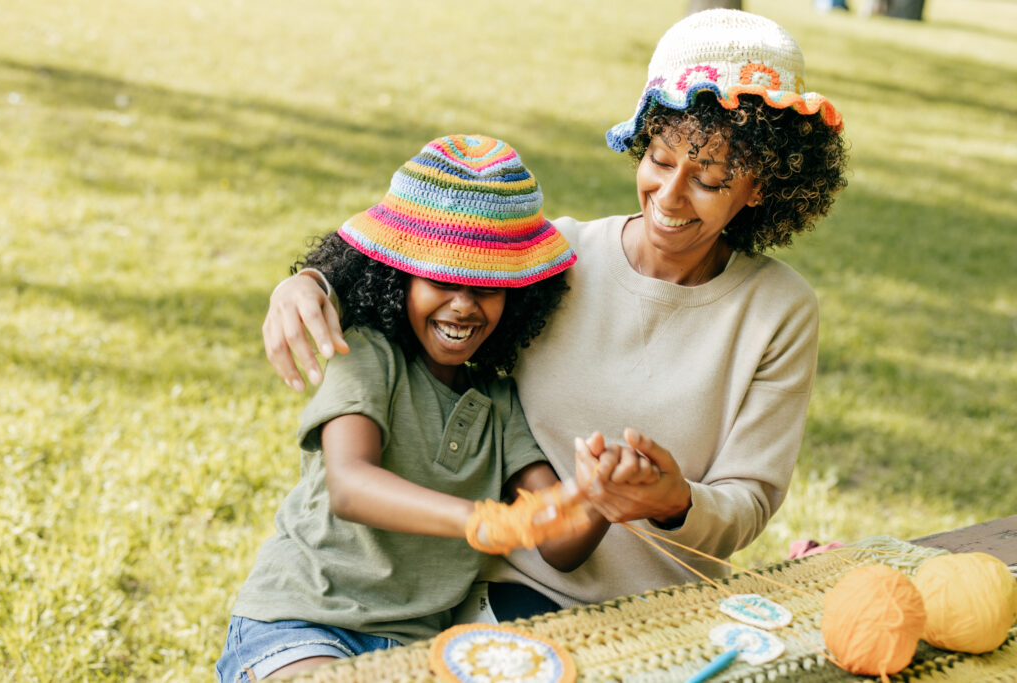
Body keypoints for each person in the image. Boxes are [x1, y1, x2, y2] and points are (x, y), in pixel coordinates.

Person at [262, 9, 848, 615]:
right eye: (661, 160)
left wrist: (675, 501)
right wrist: (312, 280)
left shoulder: (779, 310)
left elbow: (748, 502)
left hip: (672, 614)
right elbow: (425, 242)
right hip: (510, 594)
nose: (669, 197)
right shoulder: (557, 259)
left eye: (711, 179)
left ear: (760, 185)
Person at [218, 134, 611, 681]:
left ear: (517, 296)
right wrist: (481, 521)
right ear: (397, 278)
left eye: (486, 287)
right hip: (302, 621)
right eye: (441, 280)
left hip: (415, 652)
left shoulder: (499, 404)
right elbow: (352, 485)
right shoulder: (368, 355)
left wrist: (600, 498)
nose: (463, 305)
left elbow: (561, 545)